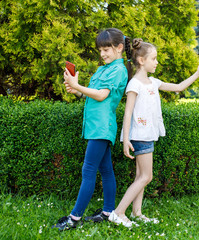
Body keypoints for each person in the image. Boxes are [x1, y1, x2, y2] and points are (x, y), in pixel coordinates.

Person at [108, 38, 199, 227]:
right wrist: (125, 139)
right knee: (147, 177)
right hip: (139, 136)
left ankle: (136, 213)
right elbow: (127, 113)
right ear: (141, 61)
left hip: (148, 135)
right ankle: (118, 212)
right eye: (154, 59)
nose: (157, 62)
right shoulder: (134, 85)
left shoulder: (153, 82)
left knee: (140, 176)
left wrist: (197, 73)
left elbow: (178, 87)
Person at [53, 28, 132, 231]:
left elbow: (102, 95)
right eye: (100, 49)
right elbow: (92, 94)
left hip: (102, 126)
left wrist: (78, 86)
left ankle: (74, 218)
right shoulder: (103, 68)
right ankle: (107, 212)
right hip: (96, 126)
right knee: (105, 170)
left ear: (119, 47)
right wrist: (76, 90)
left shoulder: (118, 70)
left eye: (107, 49)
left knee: (88, 170)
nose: (103, 53)